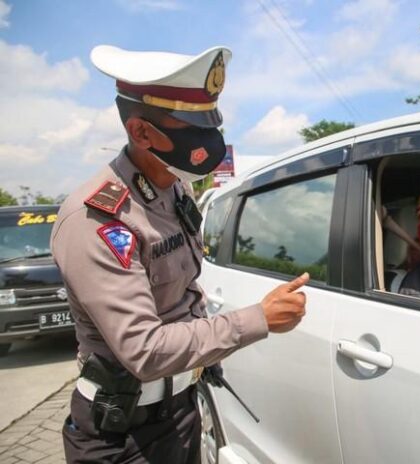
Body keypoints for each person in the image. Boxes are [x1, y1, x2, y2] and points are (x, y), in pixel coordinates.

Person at [51, 45, 307, 463]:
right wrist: (257, 319)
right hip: (122, 434)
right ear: (141, 133)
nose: (208, 135)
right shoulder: (96, 219)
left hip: (180, 411)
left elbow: (185, 289)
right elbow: (145, 350)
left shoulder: (176, 189)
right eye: (192, 124)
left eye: (211, 120)